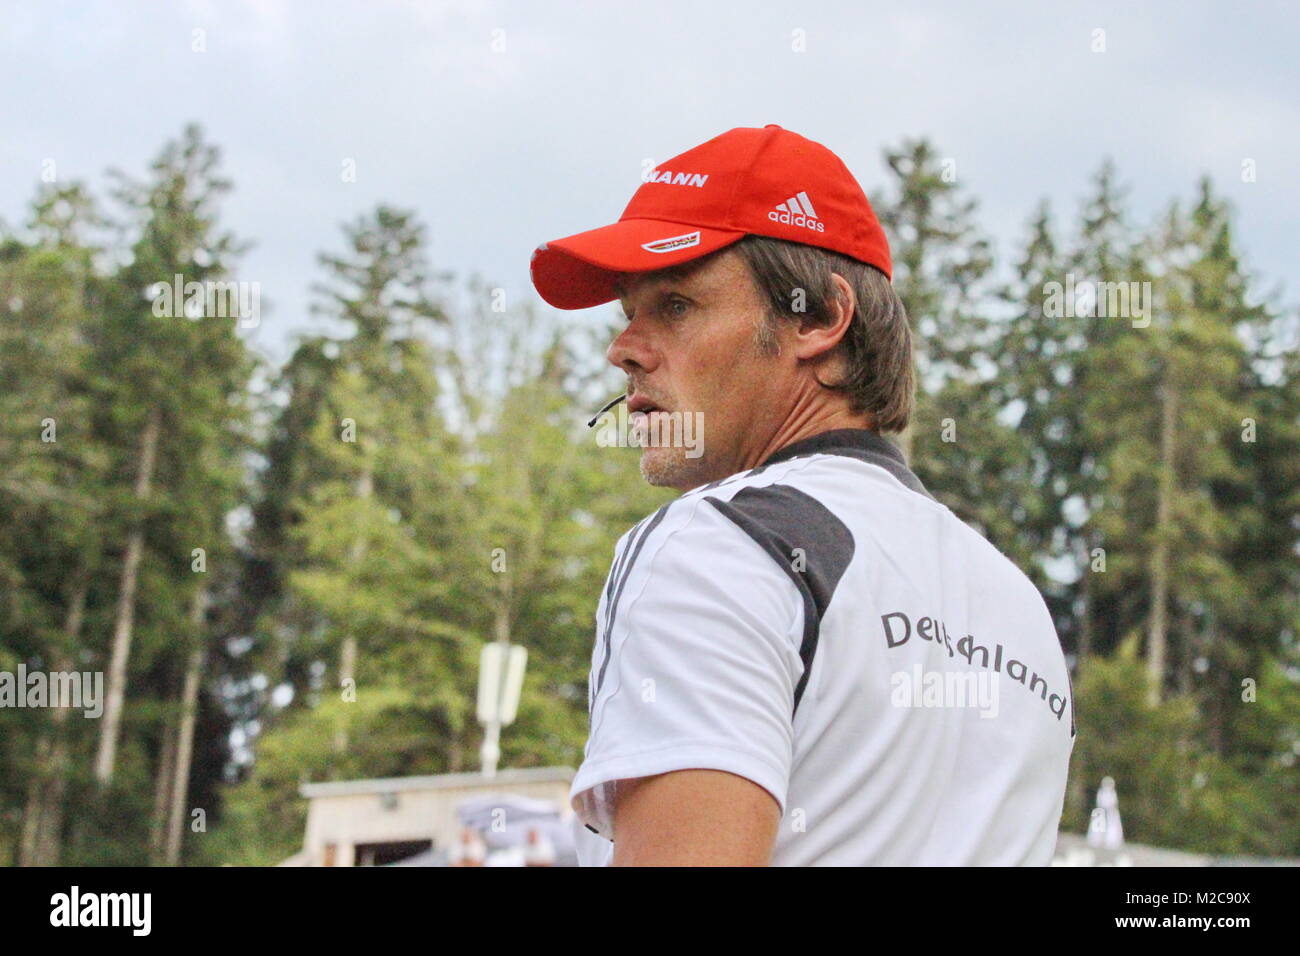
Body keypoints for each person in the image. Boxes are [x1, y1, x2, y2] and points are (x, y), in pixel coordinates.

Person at [530, 124, 1075, 866]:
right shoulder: (1016, 605)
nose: (623, 347)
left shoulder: (714, 545)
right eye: (630, 311)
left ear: (820, 319)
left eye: (677, 305)